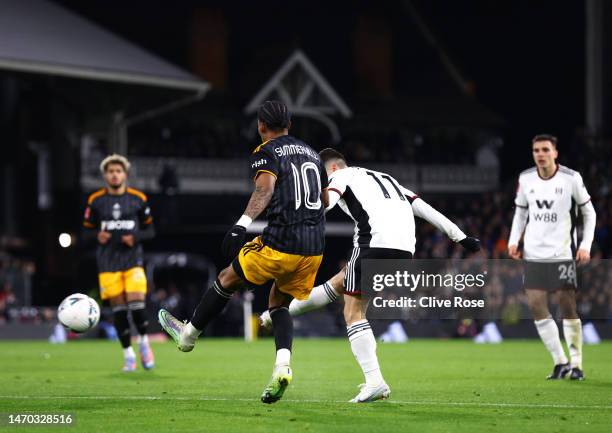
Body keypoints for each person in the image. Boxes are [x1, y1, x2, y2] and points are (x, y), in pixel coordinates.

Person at [263, 148, 480, 402]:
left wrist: (294, 222)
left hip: (373, 245)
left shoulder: (340, 177)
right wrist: (461, 237)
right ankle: (274, 315)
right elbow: (425, 209)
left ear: (331, 169)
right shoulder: (389, 180)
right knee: (339, 283)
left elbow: (325, 204)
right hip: (405, 251)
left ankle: (375, 380)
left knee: (353, 312)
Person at [158, 100, 328, 404]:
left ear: (261, 126)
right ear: (290, 124)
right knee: (278, 304)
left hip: (282, 241)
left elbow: (265, 189)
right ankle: (282, 367)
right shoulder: (314, 154)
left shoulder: (266, 151)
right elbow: (324, 199)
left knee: (226, 277)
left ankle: (187, 336)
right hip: (314, 247)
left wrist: (241, 225)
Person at [508, 134, 596, 380]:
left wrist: (585, 245)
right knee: (537, 306)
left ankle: (577, 364)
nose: (540, 154)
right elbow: (521, 212)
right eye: (536, 150)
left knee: (567, 305)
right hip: (534, 253)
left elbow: (589, 213)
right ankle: (560, 361)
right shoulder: (525, 179)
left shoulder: (571, 179)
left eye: (545, 149)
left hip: (562, 252)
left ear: (555, 153)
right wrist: (514, 240)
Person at [83, 154, 156, 372]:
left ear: (125, 174)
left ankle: (143, 342)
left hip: (133, 260)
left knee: (137, 305)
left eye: (118, 171)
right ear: (105, 175)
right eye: (110, 171)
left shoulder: (138, 199)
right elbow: (84, 232)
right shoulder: (95, 201)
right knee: (119, 312)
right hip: (107, 264)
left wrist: (135, 238)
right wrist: (97, 235)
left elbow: (151, 230)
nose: (114, 175)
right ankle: (128, 355)